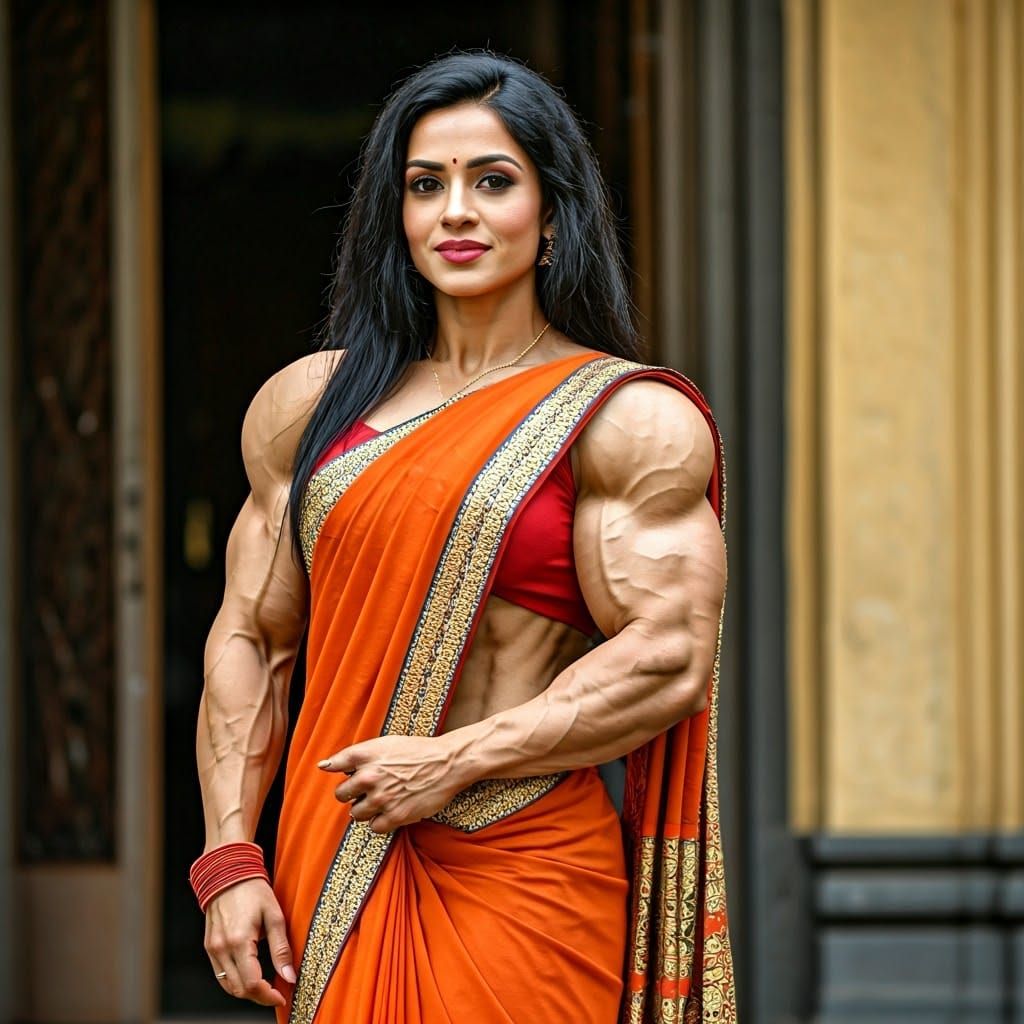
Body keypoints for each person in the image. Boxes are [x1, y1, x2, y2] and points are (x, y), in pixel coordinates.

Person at [190, 50, 734, 1024]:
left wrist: (458, 759)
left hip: (522, 867)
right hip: (342, 861)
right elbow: (252, 637)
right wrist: (229, 857)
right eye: (425, 185)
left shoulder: (623, 420)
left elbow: (668, 657)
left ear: (553, 213)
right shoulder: (308, 410)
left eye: (492, 181)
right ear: (395, 218)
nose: (455, 212)